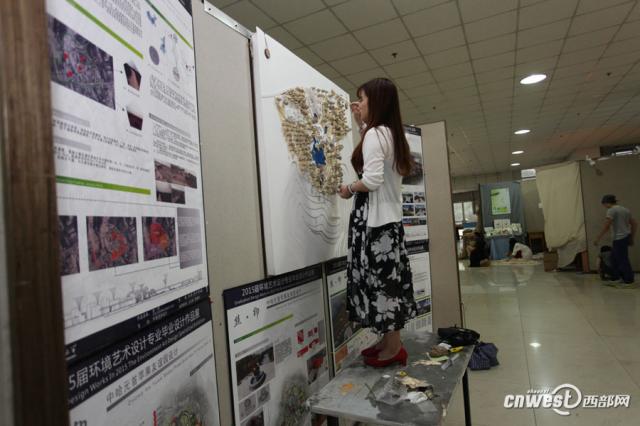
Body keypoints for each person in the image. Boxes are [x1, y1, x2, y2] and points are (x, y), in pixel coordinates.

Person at [337, 78, 416, 368]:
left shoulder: (375, 135)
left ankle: (394, 348)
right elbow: (377, 165)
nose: (359, 104)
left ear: (377, 101)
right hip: (389, 222)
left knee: (381, 284)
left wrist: (348, 188)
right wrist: (362, 123)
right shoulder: (390, 133)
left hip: (374, 222)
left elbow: (371, 179)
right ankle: (389, 341)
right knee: (388, 282)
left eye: (363, 99)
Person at [594, 195, 636, 285]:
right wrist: (631, 237)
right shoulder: (625, 210)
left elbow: (607, 225)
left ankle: (629, 280)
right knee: (614, 258)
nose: (604, 206)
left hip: (619, 238)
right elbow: (634, 224)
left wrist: (598, 238)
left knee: (622, 259)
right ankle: (617, 277)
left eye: (603, 204)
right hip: (625, 237)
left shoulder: (611, 210)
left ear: (606, 203)